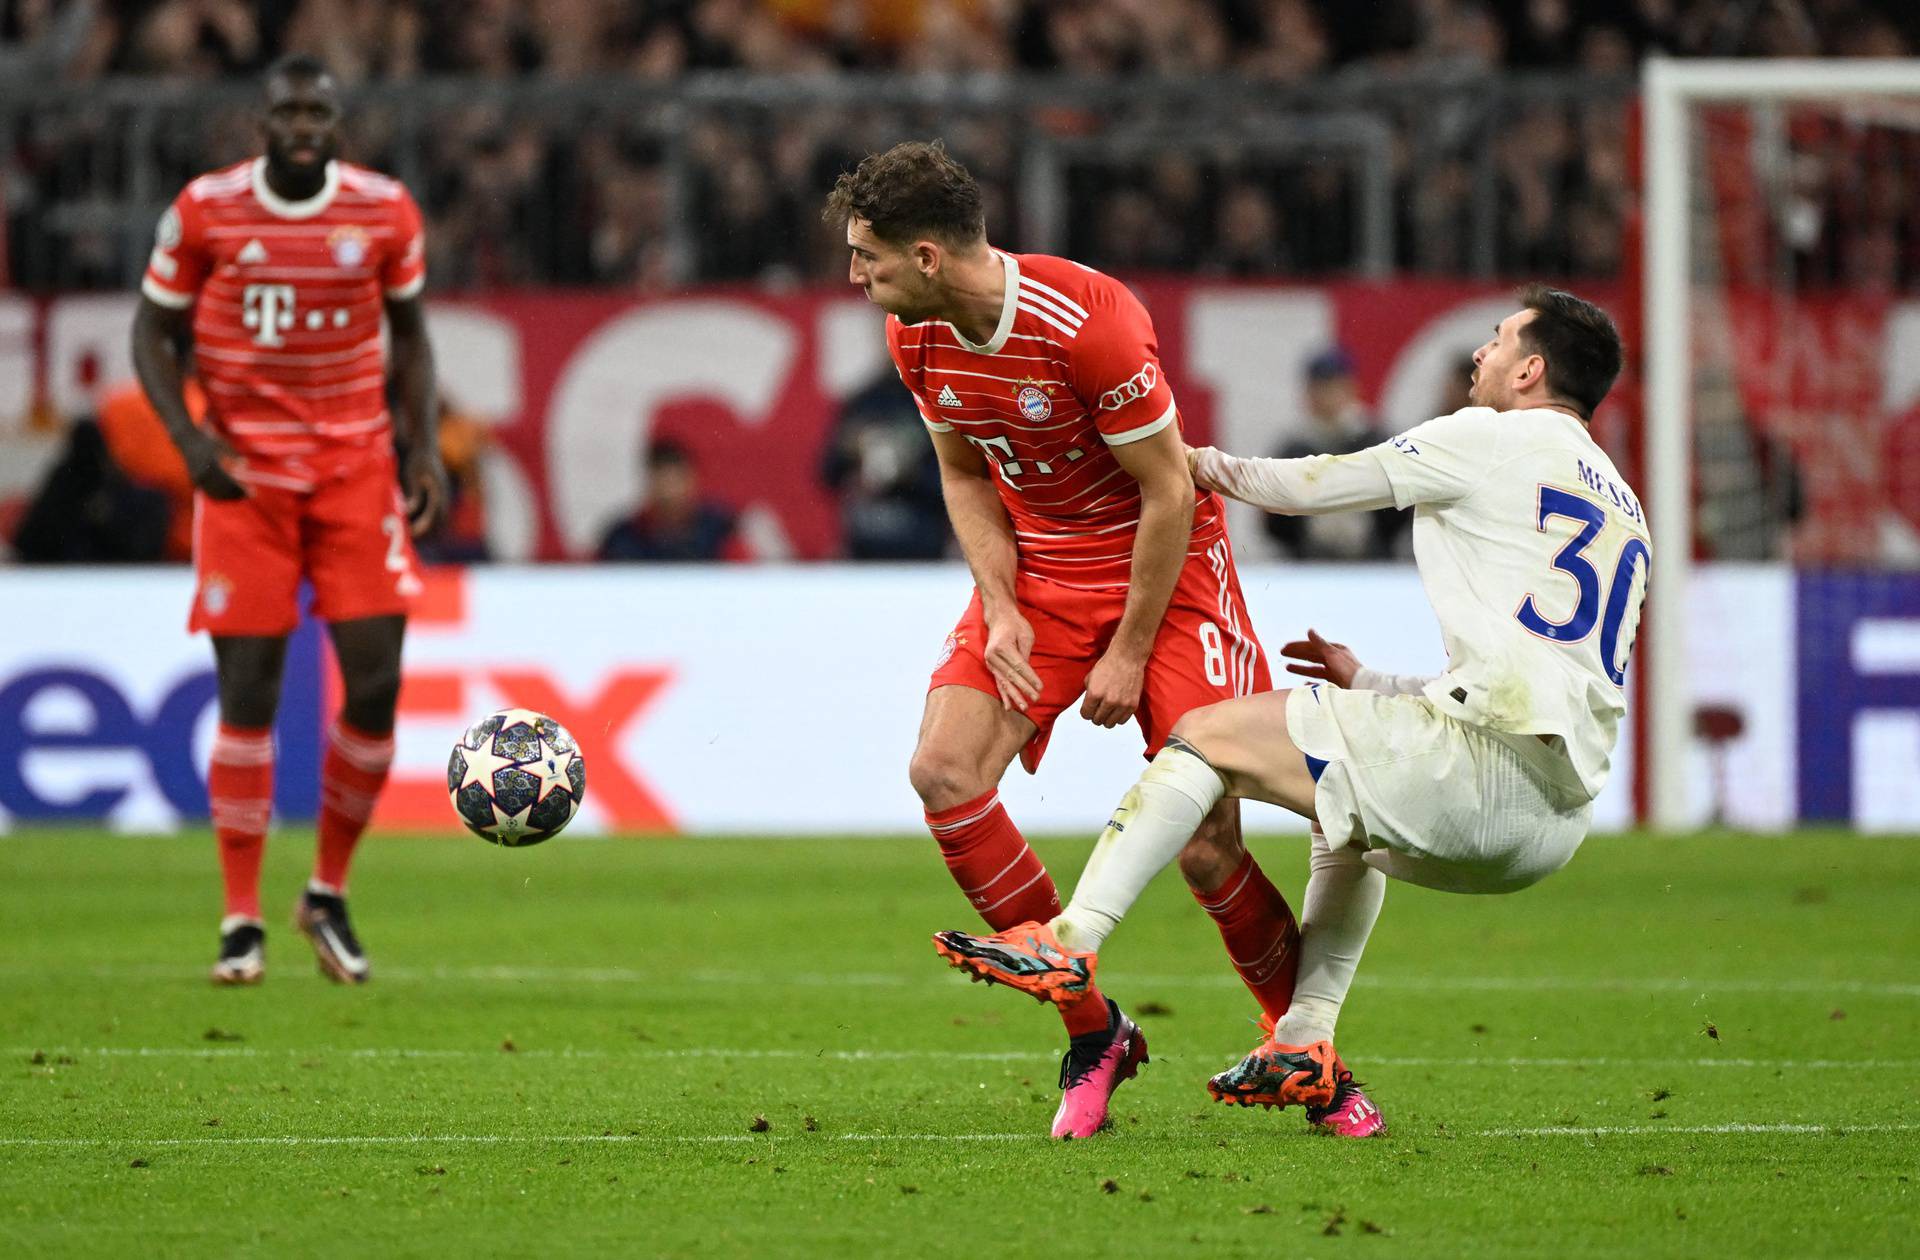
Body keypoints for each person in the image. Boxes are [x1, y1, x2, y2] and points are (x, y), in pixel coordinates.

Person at [935, 285, 1644, 1135]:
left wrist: (1190, 464)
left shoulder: (1490, 438)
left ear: (1531, 370)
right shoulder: (1623, 505)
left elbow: (1315, 485)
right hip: (1550, 826)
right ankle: (1305, 1036)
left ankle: (1072, 937)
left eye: (1496, 343)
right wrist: (1373, 682)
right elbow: (1544, 677)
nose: (1478, 357)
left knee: (1202, 740)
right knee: (1346, 803)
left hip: (1472, 775)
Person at [825, 140, 1350, 1139]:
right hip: (1044, 570)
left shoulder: (1089, 322)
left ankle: (1304, 1049)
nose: (856, 278)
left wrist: (1126, 650)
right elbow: (967, 476)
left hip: (1171, 572)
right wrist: (1003, 601)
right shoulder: (919, 338)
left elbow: (1168, 487)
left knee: (1204, 841)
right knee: (943, 769)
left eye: (869, 258)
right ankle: (1093, 1028)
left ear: (928, 256)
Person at [130, 53, 446, 988]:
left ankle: (328, 892)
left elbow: (413, 331)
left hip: (354, 470)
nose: (304, 123)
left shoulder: (384, 209)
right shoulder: (206, 209)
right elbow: (151, 328)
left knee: (378, 684)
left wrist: (419, 445)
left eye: (319, 110)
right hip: (244, 480)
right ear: (261, 123)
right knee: (252, 692)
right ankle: (239, 918)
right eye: (288, 110)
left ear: (338, 123)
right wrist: (189, 441)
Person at [1262, 346, 1403, 561]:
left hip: (1373, 566)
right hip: (1308, 566)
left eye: (1332, 387)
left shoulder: (1378, 443)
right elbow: (1273, 523)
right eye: (1318, 388)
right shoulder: (1294, 449)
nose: (1325, 396)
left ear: (1351, 389)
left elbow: (1401, 511)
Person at [595, 437, 742, 562]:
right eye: (662, 482)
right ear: (649, 483)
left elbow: (746, 580)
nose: (669, 492)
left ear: (691, 481)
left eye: (675, 482)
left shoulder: (721, 531)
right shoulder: (622, 538)